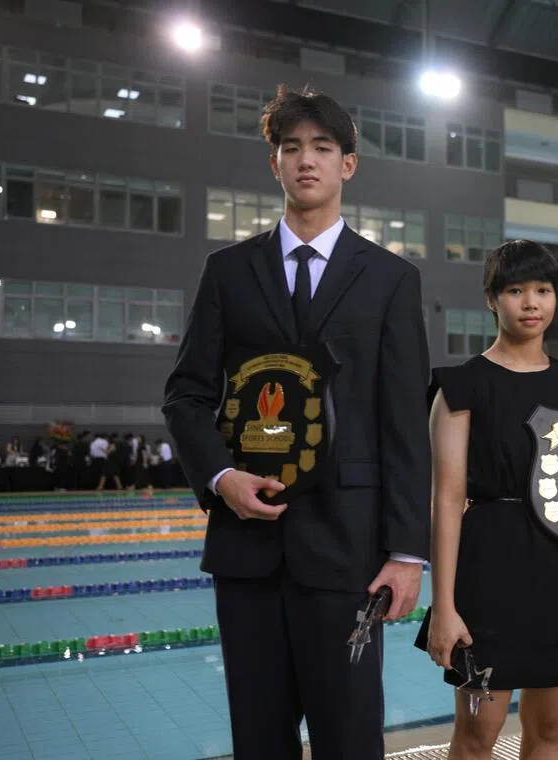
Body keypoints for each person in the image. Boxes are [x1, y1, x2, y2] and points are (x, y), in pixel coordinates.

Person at [162, 84, 431, 760]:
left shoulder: (390, 280)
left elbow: (404, 422)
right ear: (274, 164)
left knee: (350, 739)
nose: (305, 160)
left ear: (348, 164)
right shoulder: (228, 272)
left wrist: (406, 554)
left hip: (349, 549)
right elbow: (186, 394)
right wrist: (220, 477)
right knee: (258, 740)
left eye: (322, 147)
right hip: (247, 548)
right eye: (291, 148)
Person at [415, 240, 558, 760]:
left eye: (543, 290)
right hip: (488, 576)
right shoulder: (461, 386)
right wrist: (444, 608)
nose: (531, 303)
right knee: (476, 736)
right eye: (515, 290)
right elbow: (447, 501)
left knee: (550, 731)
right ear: (492, 299)